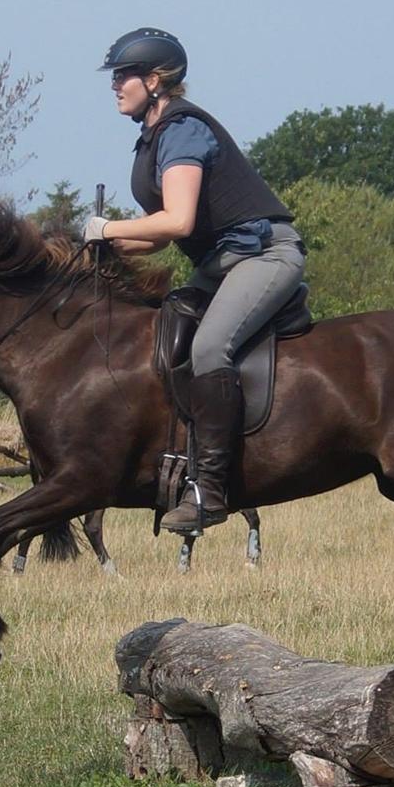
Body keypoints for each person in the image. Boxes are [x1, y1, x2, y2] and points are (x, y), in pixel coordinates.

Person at [82, 28, 306, 533]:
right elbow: (157, 239)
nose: (115, 85)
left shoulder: (182, 131)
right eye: (115, 76)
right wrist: (104, 244)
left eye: (124, 75)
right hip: (220, 264)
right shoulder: (152, 138)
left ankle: (211, 489)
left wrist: (109, 227)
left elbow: (177, 222)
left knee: (208, 349)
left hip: (266, 254)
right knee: (165, 336)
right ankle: (175, 463)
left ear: (155, 81)